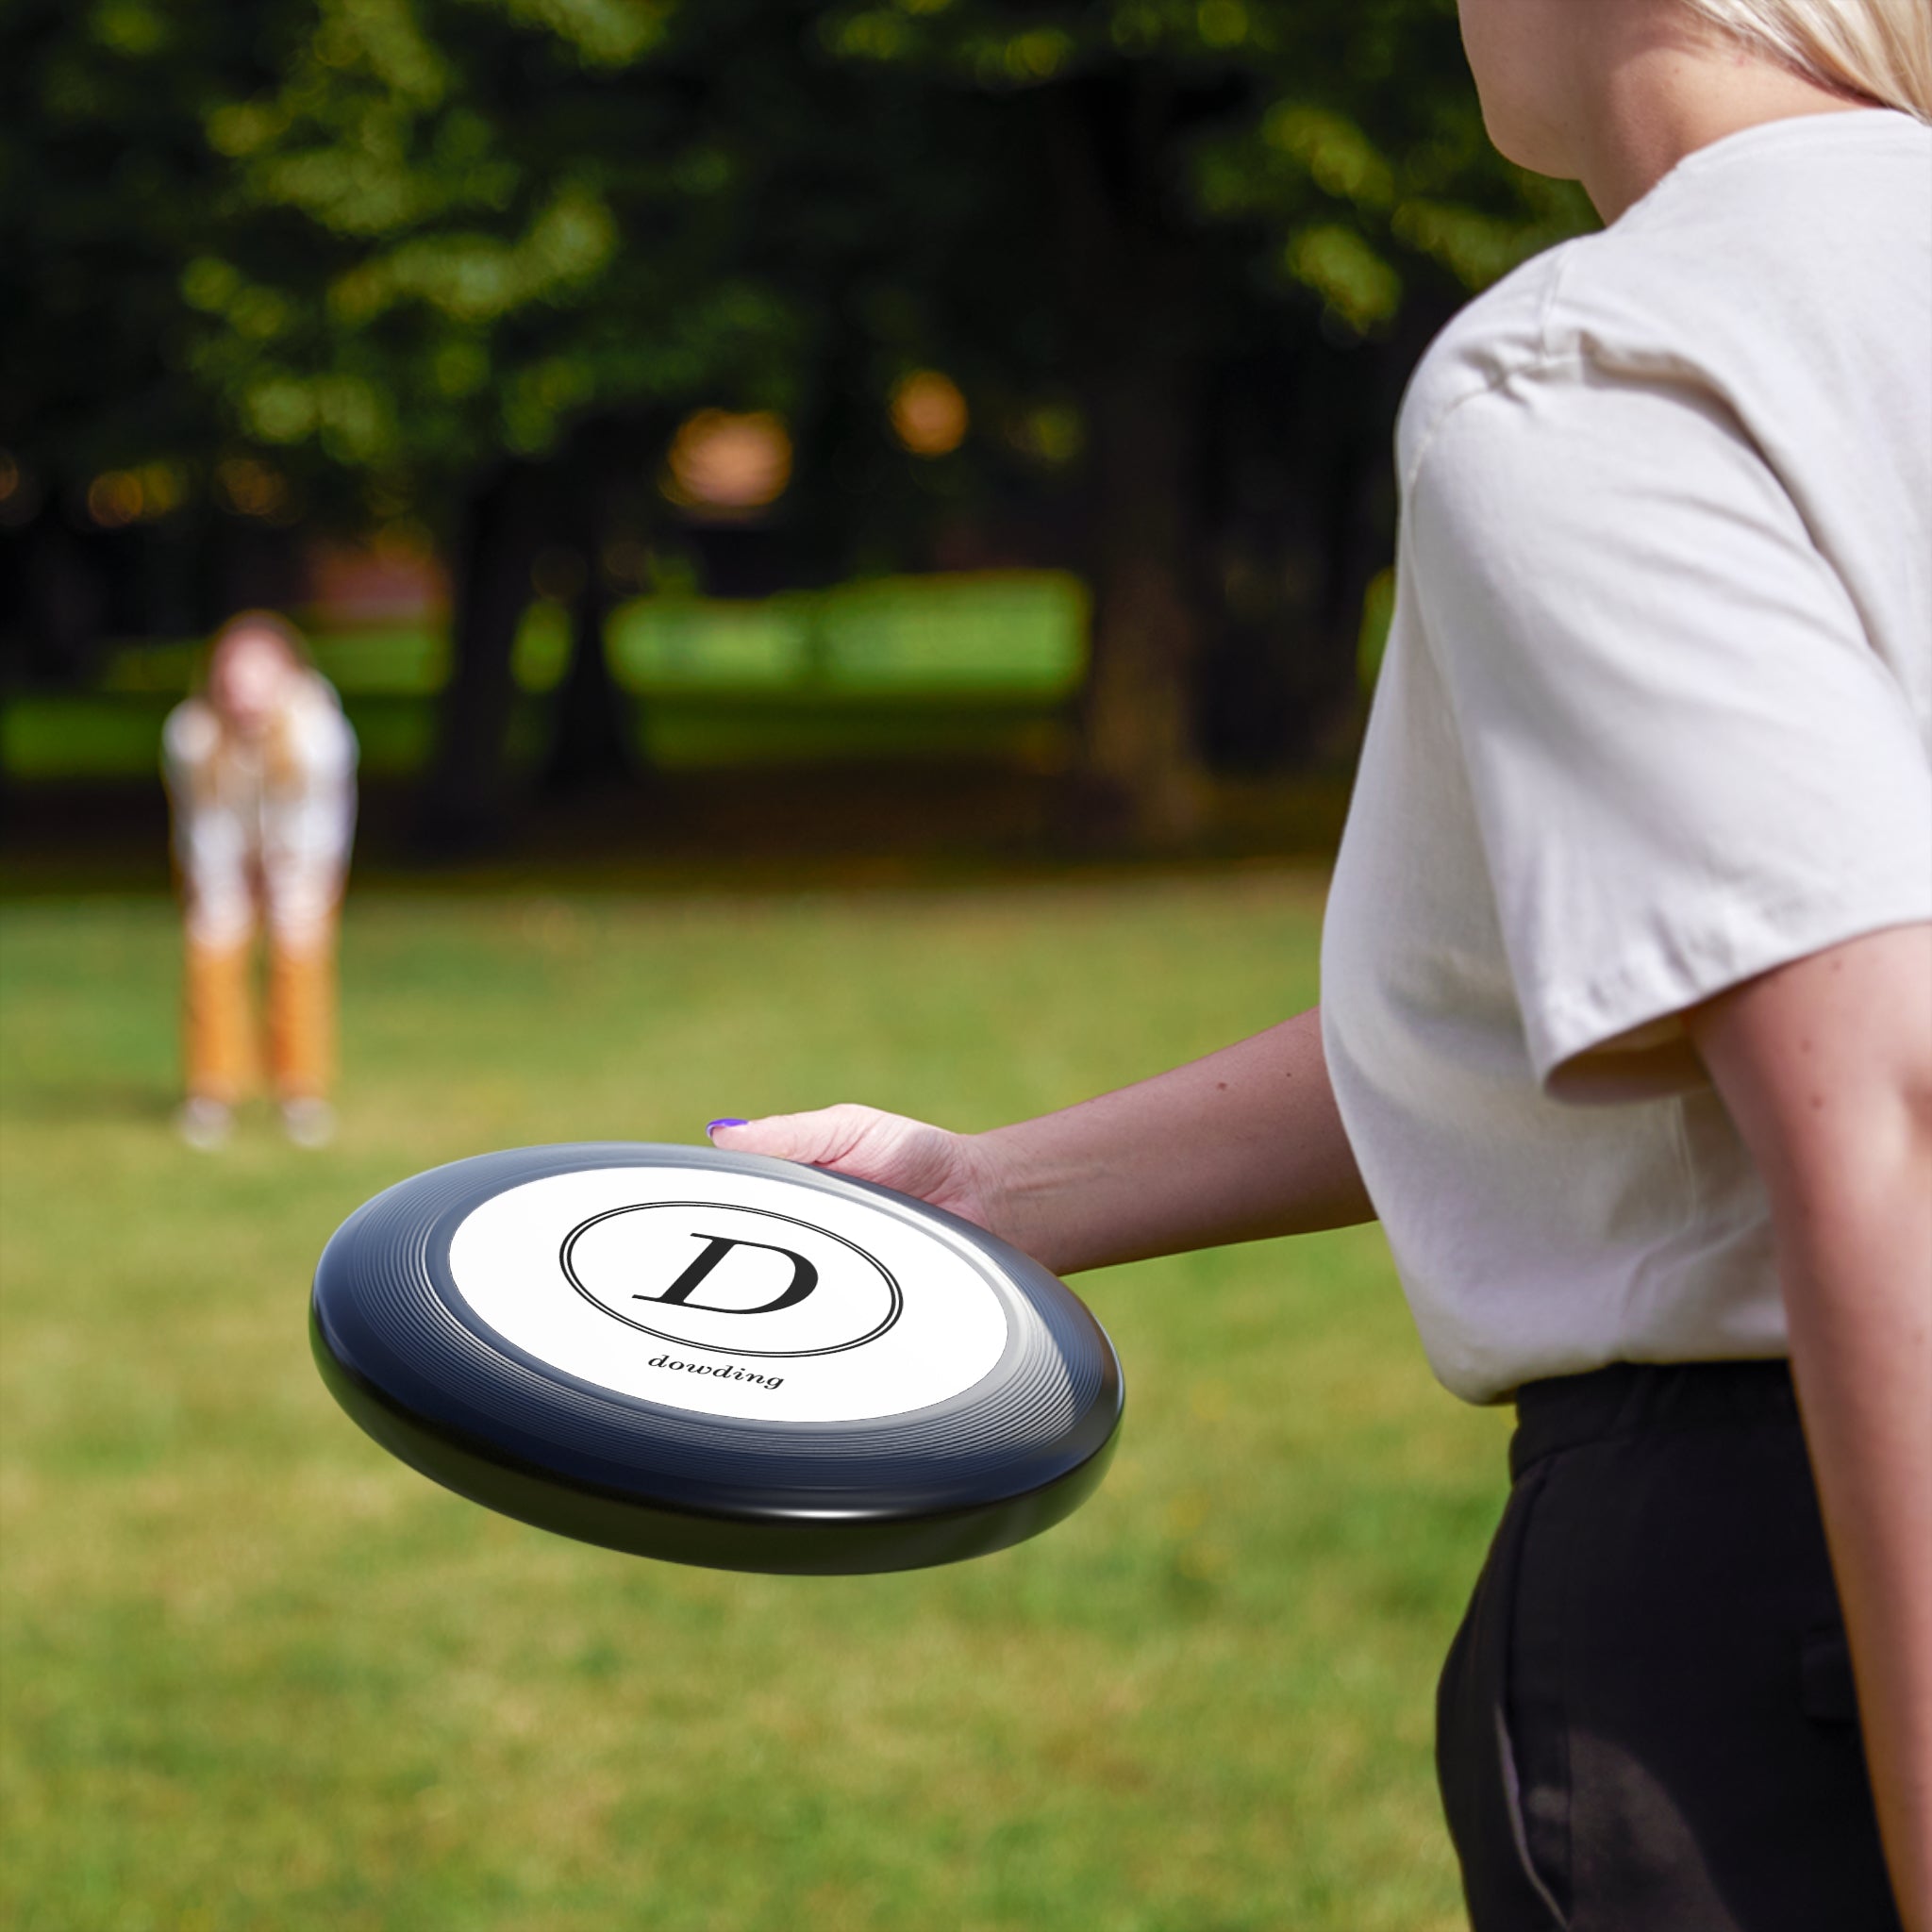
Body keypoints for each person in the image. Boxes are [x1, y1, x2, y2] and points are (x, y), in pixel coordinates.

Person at [706, 2, 1932, 1925]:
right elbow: (1643, 989)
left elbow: (1884, 1105)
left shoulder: (1610, 361)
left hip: (1796, 1592)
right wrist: (992, 1192)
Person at [162, 611, 358, 1150]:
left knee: (299, 957)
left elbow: (318, 823)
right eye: (234, 676)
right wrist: (224, 885)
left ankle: (300, 1093)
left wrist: (288, 878)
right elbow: (203, 823)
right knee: (212, 952)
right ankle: (212, 1092)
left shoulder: (319, 734)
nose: (245, 691)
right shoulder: (192, 735)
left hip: (301, 857)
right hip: (221, 855)